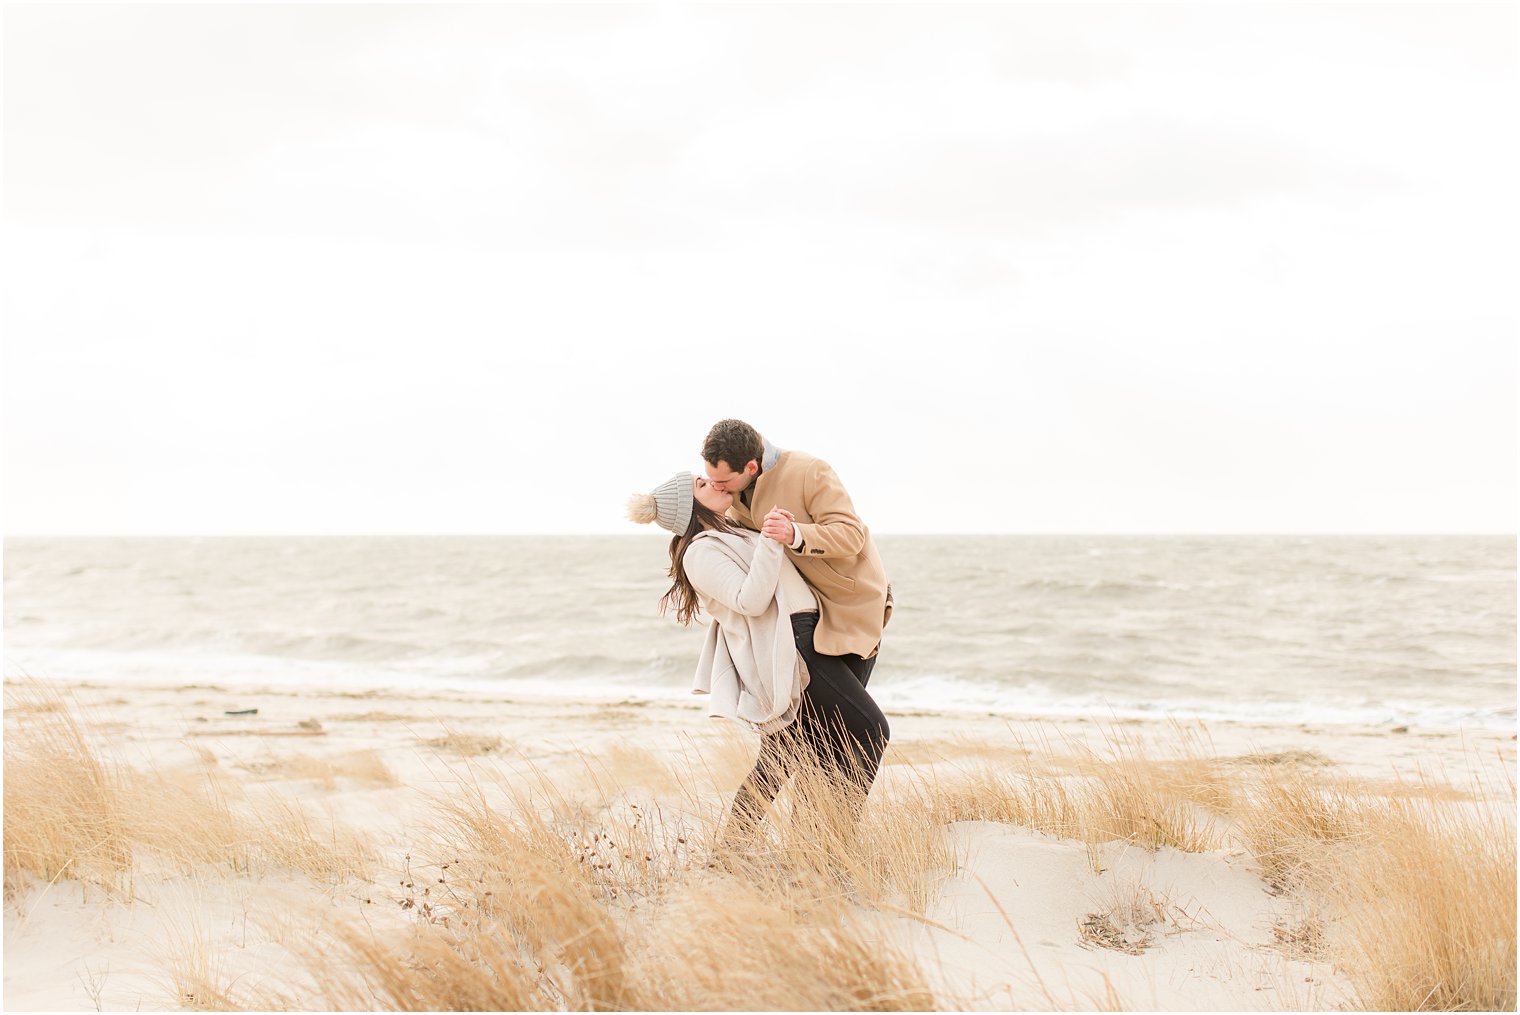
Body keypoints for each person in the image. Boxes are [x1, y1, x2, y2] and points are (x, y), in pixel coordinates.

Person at [627, 470, 891, 846]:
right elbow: (749, 600)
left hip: (807, 635)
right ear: (691, 508)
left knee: (787, 756)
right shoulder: (700, 552)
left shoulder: (732, 532)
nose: (712, 482)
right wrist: (769, 541)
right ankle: (834, 842)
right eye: (701, 485)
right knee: (869, 729)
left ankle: (741, 846)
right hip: (790, 645)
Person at [700, 419, 893, 694]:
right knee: (799, 718)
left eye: (723, 481)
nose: (717, 487)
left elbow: (851, 535)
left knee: (844, 721)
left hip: (851, 604)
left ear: (751, 467)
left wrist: (795, 533)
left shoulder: (809, 470)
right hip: (802, 614)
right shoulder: (732, 494)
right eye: (712, 480)